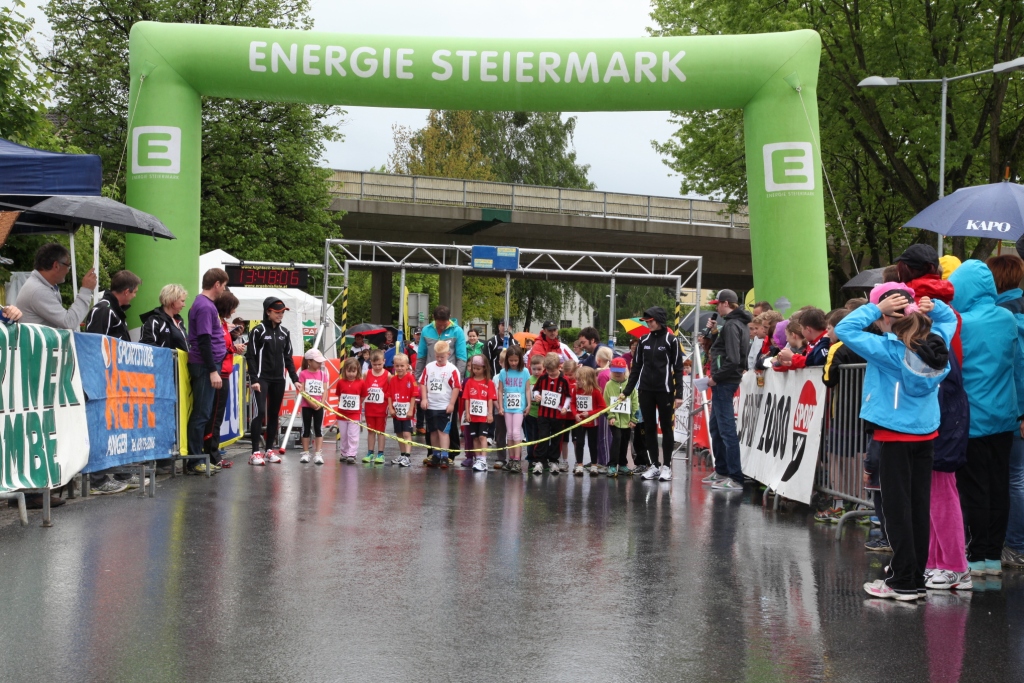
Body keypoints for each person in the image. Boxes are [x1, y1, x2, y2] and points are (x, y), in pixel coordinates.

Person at [836, 284, 955, 601]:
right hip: (925, 434)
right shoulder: (936, 341)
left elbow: (844, 329)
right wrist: (934, 307)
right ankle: (914, 578)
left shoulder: (887, 349)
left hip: (893, 435)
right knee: (918, 508)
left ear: (887, 316)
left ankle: (902, 581)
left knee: (897, 510)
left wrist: (876, 308)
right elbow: (950, 320)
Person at [949, 259, 1021, 578]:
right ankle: (993, 554)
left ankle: (977, 554)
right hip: (1004, 415)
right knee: (999, 485)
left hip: (972, 417)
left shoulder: (960, 323)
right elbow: (1018, 366)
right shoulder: (1008, 318)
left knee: (974, 488)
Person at [992, 253, 1024, 570]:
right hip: (1014, 410)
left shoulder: (1006, 314)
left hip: (1012, 411)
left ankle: (1015, 544)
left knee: (1014, 478)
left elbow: (1019, 368)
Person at [699, 291, 749, 489]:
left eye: (717, 304)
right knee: (717, 427)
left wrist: (715, 378)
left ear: (726, 303)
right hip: (725, 380)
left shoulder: (731, 325)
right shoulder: (737, 324)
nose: (716, 308)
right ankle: (722, 470)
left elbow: (733, 359)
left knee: (726, 430)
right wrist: (713, 334)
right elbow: (728, 352)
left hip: (724, 382)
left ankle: (735, 477)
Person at [245, 296, 300, 466]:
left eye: (282, 312)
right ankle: (255, 452)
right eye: (277, 312)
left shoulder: (285, 332)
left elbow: (288, 358)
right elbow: (250, 356)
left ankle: (269, 450)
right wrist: (254, 378)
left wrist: (295, 379)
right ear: (268, 312)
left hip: (278, 379)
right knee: (260, 412)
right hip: (261, 378)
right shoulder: (258, 331)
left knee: (274, 414)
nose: (280, 315)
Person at [187, 268, 229, 474]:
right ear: (217, 284)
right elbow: (204, 340)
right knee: (201, 413)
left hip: (209, 364)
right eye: (224, 285)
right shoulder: (204, 306)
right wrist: (213, 370)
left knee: (205, 413)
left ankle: (199, 458)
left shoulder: (205, 304)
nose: (224, 290)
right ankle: (194, 460)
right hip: (205, 365)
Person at [203, 290, 245, 471]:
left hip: (224, 372)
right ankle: (212, 455)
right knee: (214, 416)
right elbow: (218, 349)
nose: (234, 312)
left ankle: (213, 453)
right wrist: (232, 348)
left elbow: (224, 347)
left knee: (216, 416)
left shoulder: (222, 323)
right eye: (232, 308)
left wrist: (233, 342)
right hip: (220, 372)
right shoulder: (217, 323)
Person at [16, 242, 95, 329]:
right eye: (68, 266)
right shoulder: (39, 290)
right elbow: (69, 322)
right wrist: (86, 290)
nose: (68, 271)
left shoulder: (41, 285)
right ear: (56, 266)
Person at [420, 340, 462, 468]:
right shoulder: (429, 367)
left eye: (442, 357)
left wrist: (452, 404)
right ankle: (436, 454)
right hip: (431, 405)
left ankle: (444, 455)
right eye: (437, 356)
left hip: (444, 406)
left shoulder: (452, 369)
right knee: (433, 431)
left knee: (443, 431)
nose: (439, 359)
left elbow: (456, 387)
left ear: (448, 354)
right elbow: (423, 383)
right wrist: (424, 399)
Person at [531, 352, 572, 475]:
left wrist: (565, 407)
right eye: (548, 370)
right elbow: (536, 389)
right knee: (542, 436)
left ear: (559, 367)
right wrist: (537, 396)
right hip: (543, 414)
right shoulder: (543, 378)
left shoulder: (564, 380)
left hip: (558, 416)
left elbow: (568, 396)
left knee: (556, 438)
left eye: (552, 371)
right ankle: (539, 461)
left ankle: (554, 461)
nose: (550, 373)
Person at [497, 345, 530, 473]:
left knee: (516, 432)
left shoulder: (525, 372)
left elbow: (527, 389)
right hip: (507, 407)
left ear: (520, 359)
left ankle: (517, 460)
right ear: (507, 360)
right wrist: (500, 406)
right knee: (509, 433)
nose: (513, 363)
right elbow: (500, 391)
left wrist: (528, 404)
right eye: (511, 360)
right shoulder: (503, 372)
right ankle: (511, 459)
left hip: (519, 407)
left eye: (516, 360)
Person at [462, 354, 496, 472]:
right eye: (474, 368)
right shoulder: (469, 382)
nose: (475, 371)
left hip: (484, 416)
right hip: (473, 416)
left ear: (484, 368)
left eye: (478, 368)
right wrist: (467, 413)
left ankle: (483, 460)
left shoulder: (489, 382)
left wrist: (490, 414)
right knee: (475, 438)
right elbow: (467, 398)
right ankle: (477, 459)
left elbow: (490, 399)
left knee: (482, 437)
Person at [605, 357, 638, 477]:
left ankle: (623, 464)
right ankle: (612, 465)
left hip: (627, 421)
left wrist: (634, 419)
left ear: (625, 371)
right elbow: (606, 402)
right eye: (615, 371)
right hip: (614, 420)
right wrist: (611, 416)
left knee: (625, 441)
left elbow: (635, 402)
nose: (617, 374)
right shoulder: (609, 385)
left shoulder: (630, 385)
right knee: (617, 439)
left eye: (620, 371)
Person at [85, 270, 140, 341]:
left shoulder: (115, 310)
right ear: (126, 292)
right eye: (135, 292)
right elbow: (95, 342)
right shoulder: (103, 309)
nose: (135, 296)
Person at [572, 366, 608, 475]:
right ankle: (579, 464)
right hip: (580, 422)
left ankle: (594, 465)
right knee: (579, 443)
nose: (577, 381)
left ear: (587, 379)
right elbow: (572, 403)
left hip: (593, 423)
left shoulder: (595, 392)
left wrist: (590, 413)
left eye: (579, 379)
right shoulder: (576, 390)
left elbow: (603, 407)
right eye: (576, 379)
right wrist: (575, 414)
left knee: (592, 444)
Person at [386, 352, 419, 468]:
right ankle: (402, 454)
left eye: (402, 366)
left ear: (407, 366)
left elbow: (414, 395)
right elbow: (389, 395)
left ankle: (408, 456)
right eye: (397, 366)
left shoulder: (410, 378)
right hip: (397, 411)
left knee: (406, 433)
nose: (399, 368)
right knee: (399, 433)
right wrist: (391, 408)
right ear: (394, 366)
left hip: (407, 412)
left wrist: (411, 410)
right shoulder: (393, 379)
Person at [297, 349, 329, 465]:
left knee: (318, 429)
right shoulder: (303, 374)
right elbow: (302, 391)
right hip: (307, 405)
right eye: (317, 362)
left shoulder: (323, 374)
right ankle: (306, 453)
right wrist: (311, 403)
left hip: (319, 406)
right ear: (309, 361)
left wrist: (321, 403)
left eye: (320, 362)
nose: (320, 364)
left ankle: (318, 453)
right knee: (305, 428)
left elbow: (325, 390)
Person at [140, 283, 189, 351]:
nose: (184, 305)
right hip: (163, 358)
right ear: (172, 300)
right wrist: (168, 354)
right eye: (182, 301)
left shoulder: (179, 321)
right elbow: (147, 344)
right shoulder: (155, 320)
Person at [334, 358, 365, 464]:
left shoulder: (361, 383)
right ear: (345, 371)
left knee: (353, 435)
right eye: (349, 371)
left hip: (355, 414)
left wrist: (357, 405)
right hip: (342, 414)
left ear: (357, 371)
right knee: (344, 435)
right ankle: (344, 452)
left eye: (353, 371)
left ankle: (352, 453)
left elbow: (363, 396)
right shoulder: (340, 382)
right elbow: (339, 396)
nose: (351, 374)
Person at [362, 349, 391, 464]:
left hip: (381, 409)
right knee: (370, 431)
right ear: (371, 362)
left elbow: (391, 391)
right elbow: (362, 389)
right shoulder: (366, 374)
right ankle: (370, 453)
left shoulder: (388, 375)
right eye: (374, 364)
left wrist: (390, 406)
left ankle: (380, 454)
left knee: (381, 432)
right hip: (369, 408)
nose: (377, 367)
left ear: (384, 361)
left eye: (379, 364)